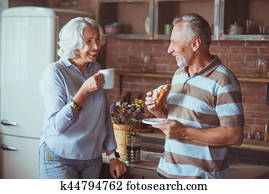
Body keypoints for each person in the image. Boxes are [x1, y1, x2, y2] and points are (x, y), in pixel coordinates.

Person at [145, 13, 244, 179]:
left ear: (195, 44)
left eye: (174, 43)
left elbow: (235, 135)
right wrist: (159, 111)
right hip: (166, 173)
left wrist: (183, 132)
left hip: (200, 178)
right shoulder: (179, 74)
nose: (169, 50)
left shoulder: (223, 80)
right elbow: (178, 123)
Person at [39, 17, 126, 179]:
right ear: (73, 44)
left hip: (91, 159)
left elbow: (104, 117)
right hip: (59, 157)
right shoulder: (56, 72)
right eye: (89, 41)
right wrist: (84, 91)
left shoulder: (95, 68)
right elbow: (57, 125)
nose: (96, 46)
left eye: (98, 39)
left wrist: (113, 157)